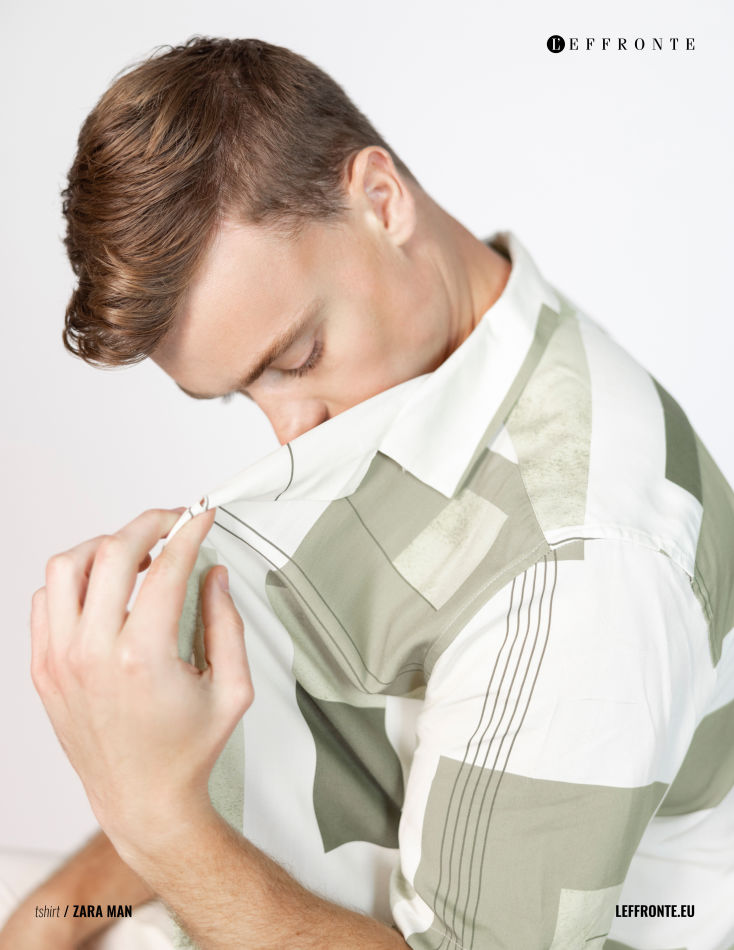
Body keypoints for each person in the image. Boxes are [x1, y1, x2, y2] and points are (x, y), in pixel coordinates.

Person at [1, 34, 733, 950]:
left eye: (299, 355)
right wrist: (53, 914)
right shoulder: (440, 376)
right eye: (239, 393)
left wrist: (150, 817)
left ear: (381, 200)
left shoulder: (578, 567)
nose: (290, 431)